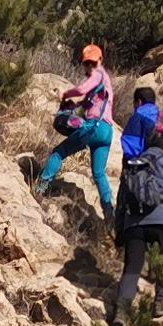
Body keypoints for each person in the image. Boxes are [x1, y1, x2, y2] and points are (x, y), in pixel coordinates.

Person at [110, 107, 163, 326]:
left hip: (133, 225)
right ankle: (160, 307)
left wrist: (120, 231)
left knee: (132, 269)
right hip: (162, 223)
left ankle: (121, 313)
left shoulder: (133, 166)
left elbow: (121, 202)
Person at [37, 43, 118, 215]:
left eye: (92, 63)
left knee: (58, 153)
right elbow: (88, 100)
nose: (90, 66)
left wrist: (66, 94)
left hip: (93, 128)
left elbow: (81, 89)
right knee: (99, 173)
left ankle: (40, 189)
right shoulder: (105, 82)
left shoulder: (98, 74)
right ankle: (109, 211)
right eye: (87, 63)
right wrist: (76, 104)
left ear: (100, 61)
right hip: (107, 131)